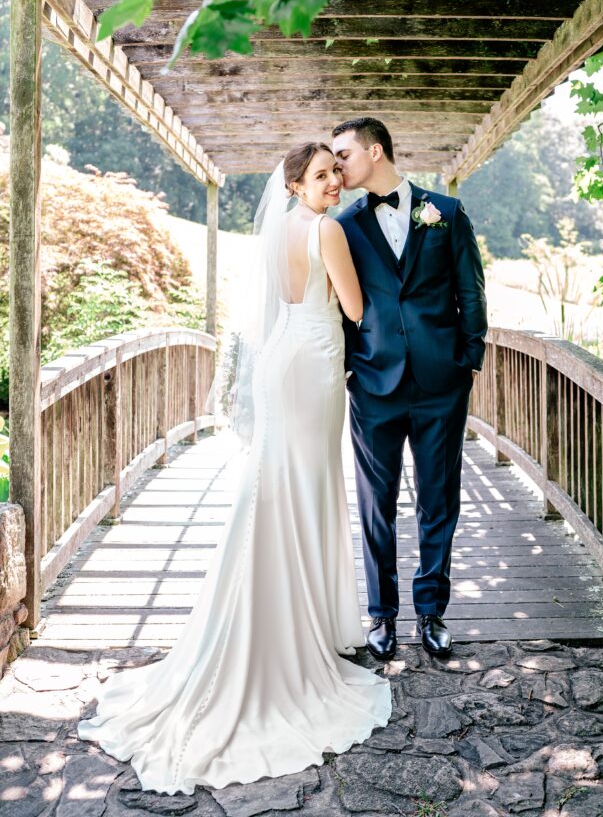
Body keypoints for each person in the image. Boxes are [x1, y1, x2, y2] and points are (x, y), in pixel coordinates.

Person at [77, 143, 391, 795]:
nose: (334, 181)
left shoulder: (281, 230)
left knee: (278, 485)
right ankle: (297, 622)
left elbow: (281, 302)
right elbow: (356, 310)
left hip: (285, 361)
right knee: (305, 488)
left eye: (337, 171)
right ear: (297, 185)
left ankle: (289, 608)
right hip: (314, 365)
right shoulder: (328, 229)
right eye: (322, 175)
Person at [333, 117, 488, 662]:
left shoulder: (444, 213)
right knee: (376, 503)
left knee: (438, 499)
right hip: (374, 384)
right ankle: (382, 613)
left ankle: (432, 612)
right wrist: (352, 367)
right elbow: (338, 309)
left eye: (344, 154)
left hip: (440, 383)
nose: (336, 166)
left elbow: (471, 290)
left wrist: (469, 359)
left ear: (376, 152)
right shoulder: (344, 225)